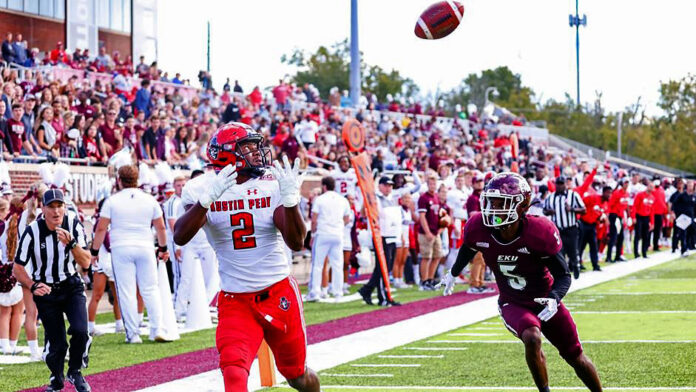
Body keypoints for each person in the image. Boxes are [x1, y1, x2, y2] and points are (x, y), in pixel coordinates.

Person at [173, 122, 320, 392]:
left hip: (278, 292)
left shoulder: (270, 183)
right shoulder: (201, 188)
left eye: (256, 146)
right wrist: (206, 201)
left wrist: (290, 202)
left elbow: (296, 242)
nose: (257, 153)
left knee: (297, 375)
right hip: (235, 299)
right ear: (228, 153)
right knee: (234, 373)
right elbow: (180, 236)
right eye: (248, 147)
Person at [437, 172, 603, 392]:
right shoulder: (479, 227)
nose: (493, 209)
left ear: (521, 206)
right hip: (513, 302)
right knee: (532, 337)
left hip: (544, 299)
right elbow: (469, 247)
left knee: (575, 355)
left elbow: (563, 275)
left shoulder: (538, 232)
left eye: (501, 203)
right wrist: (454, 272)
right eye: (491, 202)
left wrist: (554, 298)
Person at [13, 189, 92, 392]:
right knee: (57, 344)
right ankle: (56, 377)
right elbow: (18, 268)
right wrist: (32, 285)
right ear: (43, 208)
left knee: (82, 331)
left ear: (65, 207)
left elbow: (86, 261)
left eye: (60, 206)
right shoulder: (32, 231)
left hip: (71, 284)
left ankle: (75, 372)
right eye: (51, 207)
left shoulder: (73, 223)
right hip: (46, 289)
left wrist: (72, 243)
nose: (56, 211)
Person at [90, 165, 175, 344]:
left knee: (127, 291)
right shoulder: (149, 199)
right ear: (137, 180)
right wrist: (163, 248)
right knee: (150, 288)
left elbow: (101, 228)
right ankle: (156, 328)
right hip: (144, 245)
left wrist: (94, 251)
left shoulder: (112, 201)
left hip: (121, 247)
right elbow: (160, 227)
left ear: (119, 180)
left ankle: (133, 334)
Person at [172, 171, 219, 319]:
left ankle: (205, 307)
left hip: (206, 242)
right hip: (191, 244)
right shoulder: (185, 199)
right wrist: (178, 247)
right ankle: (180, 310)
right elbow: (179, 226)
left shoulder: (210, 194)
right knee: (186, 278)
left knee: (212, 277)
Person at [358, 176, 401, 306]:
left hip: (391, 235)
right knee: (383, 267)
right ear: (380, 186)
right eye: (386, 185)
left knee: (384, 267)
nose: (389, 188)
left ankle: (367, 290)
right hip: (381, 236)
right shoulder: (375, 198)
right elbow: (364, 214)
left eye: (390, 186)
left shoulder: (391, 199)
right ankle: (383, 297)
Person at [306, 176, 351, 301]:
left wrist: (313, 235)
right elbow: (347, 219)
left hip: (323, 233)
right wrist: (338, 226)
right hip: (337, 234)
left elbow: (314, 220)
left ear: (324, 186)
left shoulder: (319, 199)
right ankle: (338, 292)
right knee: (337, 264)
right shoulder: (342, 200)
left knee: (318, 264)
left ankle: (315, 292)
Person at [543, 176, 586, 279]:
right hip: (557, 230)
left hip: (571, 228)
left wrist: (572, 209)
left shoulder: (573, 195)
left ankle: (575, 266)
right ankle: (564, 272)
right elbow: (544, 210)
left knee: (573, 251)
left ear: (565, 184)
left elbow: (584, 210)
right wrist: (549, 212)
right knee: (559, 252)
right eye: (558, 184)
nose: (559, 186)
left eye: (561, 183)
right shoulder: (550, 197)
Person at [417, 172, 444, 290]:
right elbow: (422, 216)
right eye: (431, 183)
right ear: (427, 184)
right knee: (426, 257)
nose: (433, 185)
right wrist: (427, 231)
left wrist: (442, 225)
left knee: (437, 256)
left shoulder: (436, 197)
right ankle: (423, 281)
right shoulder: (424, 198)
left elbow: (439, 214)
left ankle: (430, 279)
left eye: (434, 183)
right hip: (425, 232)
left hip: (436, 231)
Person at [578, 186, 612, 271]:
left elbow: (599, 215)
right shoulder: (593, 197)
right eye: (608, 193)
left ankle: (595, 265)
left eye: (610, 193)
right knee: (580, 245)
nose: (609, 195)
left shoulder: (605, 204)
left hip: (592, 225)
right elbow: (581, 203)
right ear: (603, 192)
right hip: (584, 223)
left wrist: (601, 219)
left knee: (594, 245)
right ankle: (576, 264)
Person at [606, 179, 630, 262]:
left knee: (621, 237)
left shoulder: (627, 194)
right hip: (614, 216)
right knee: (613, 237)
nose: (626, 185)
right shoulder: (616, 193)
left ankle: (618, 255)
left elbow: (626, 206)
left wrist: (628, 216)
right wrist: (608, 216)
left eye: (627, 183)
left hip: (620, 216)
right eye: (625, 183)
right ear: (622, 184)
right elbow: (610, 204)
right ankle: (608, 257)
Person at [632, 182, 655, 259]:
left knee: (646, 235)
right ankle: (636, 253)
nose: (651, 188)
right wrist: (633, 217)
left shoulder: (652, 197)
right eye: (650, 186)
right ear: (647, 186)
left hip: (646, 217)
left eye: (652, 187)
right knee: (638, 235)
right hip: (639, 216)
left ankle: (644, 252)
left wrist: (652, 222)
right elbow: (635, 206)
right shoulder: (640, 195)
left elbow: (652, 210)